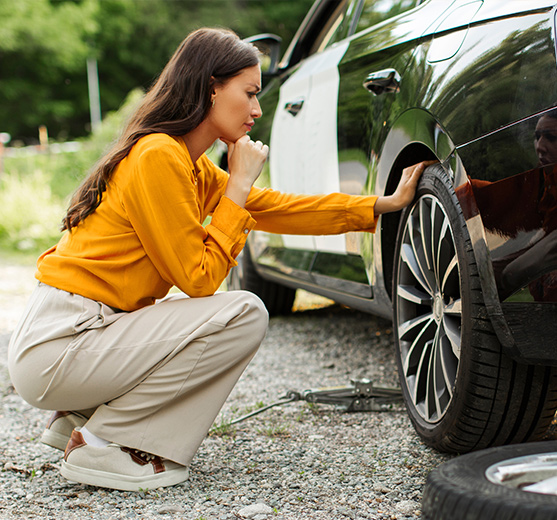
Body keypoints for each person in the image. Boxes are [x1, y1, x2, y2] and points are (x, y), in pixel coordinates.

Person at [7, 28, 432, 492]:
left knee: (208, 315)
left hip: (75, 338)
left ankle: (78, 417)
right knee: (242, 313)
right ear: (211, 87)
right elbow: (199, 279)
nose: (257, 109)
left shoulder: (186, 161)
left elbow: (274, 207)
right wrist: (236, 188)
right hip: (63, 343)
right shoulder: (159, 156)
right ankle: (110, 446)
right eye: (249, 92)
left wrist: (377, 206)